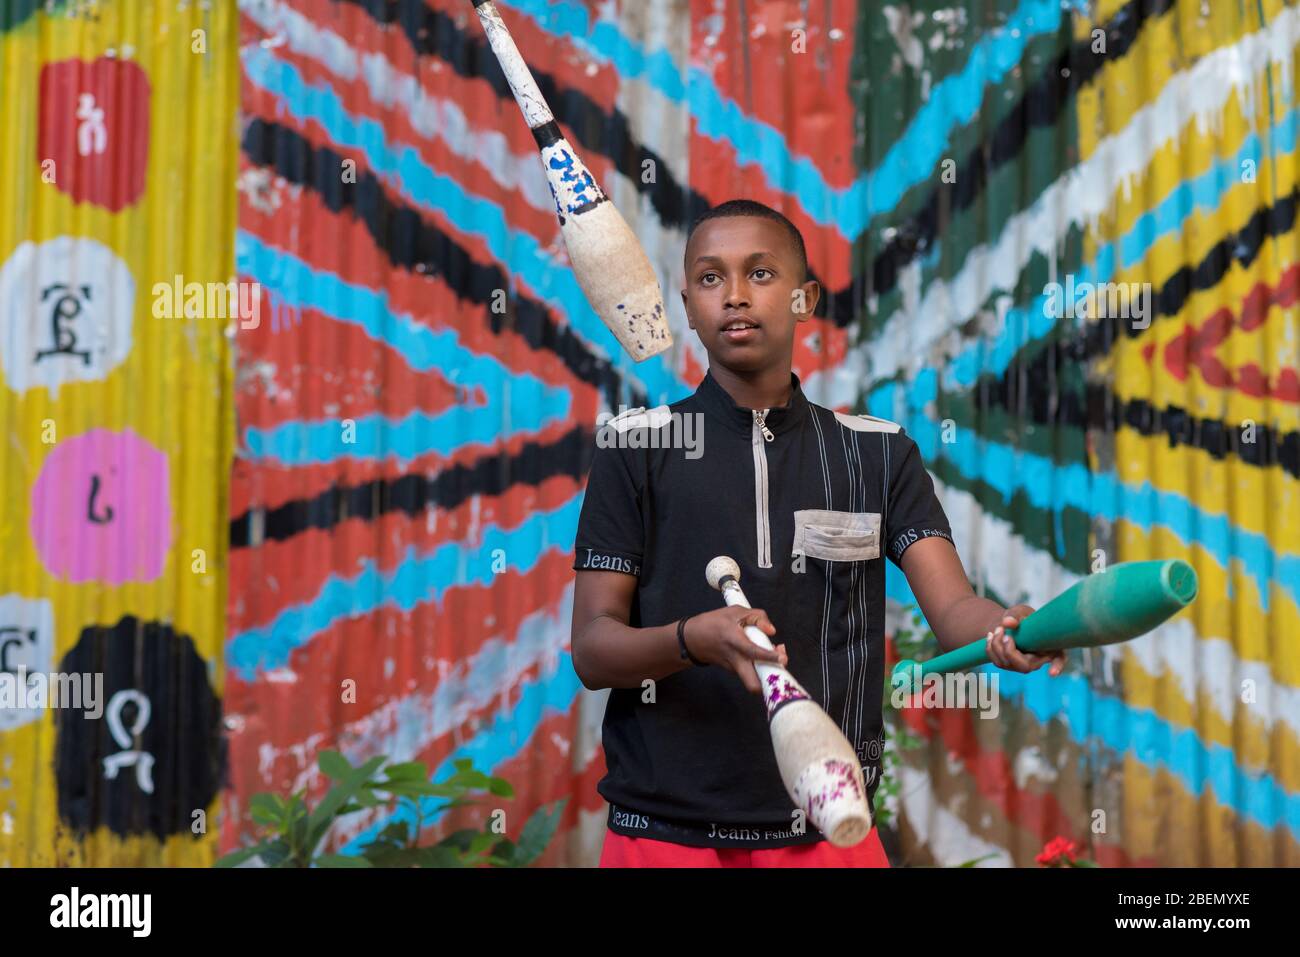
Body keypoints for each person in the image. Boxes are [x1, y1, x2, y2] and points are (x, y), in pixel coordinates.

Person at [570, 199, 1066, 868]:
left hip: (830, 830)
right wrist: (693, 640)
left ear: (805, 298)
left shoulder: (879, 454)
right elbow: (594, 650)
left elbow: (953, 612)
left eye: (762, 274)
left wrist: (1008, 628)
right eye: (712, 279)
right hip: (663, 836)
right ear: (687, 305)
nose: (736, 295)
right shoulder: (637, 450)